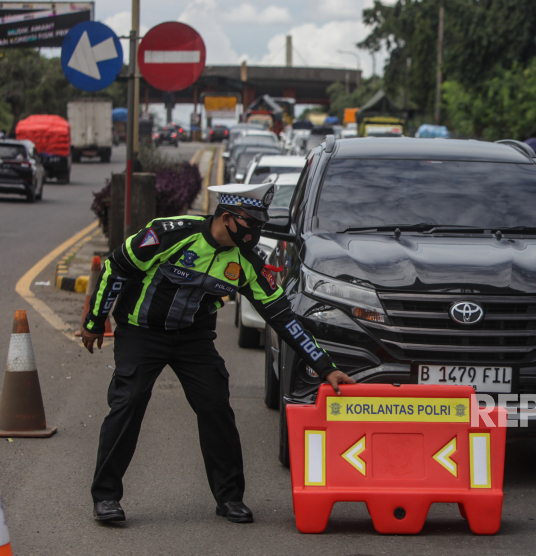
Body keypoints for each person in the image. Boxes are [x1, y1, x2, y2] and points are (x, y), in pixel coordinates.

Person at [81, 181, 354, 524]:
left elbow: (282, 316)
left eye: (260, 226)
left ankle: (229, 498)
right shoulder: (169, 234)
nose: (256, 233)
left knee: (216, 408)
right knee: (129, 401)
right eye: (251, 225)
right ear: (227, 218)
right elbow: (115, 268)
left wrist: (325, 366)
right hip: (142, 332)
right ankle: (106, 497)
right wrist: (95, 320)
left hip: (193, 339)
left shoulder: (248, 261)